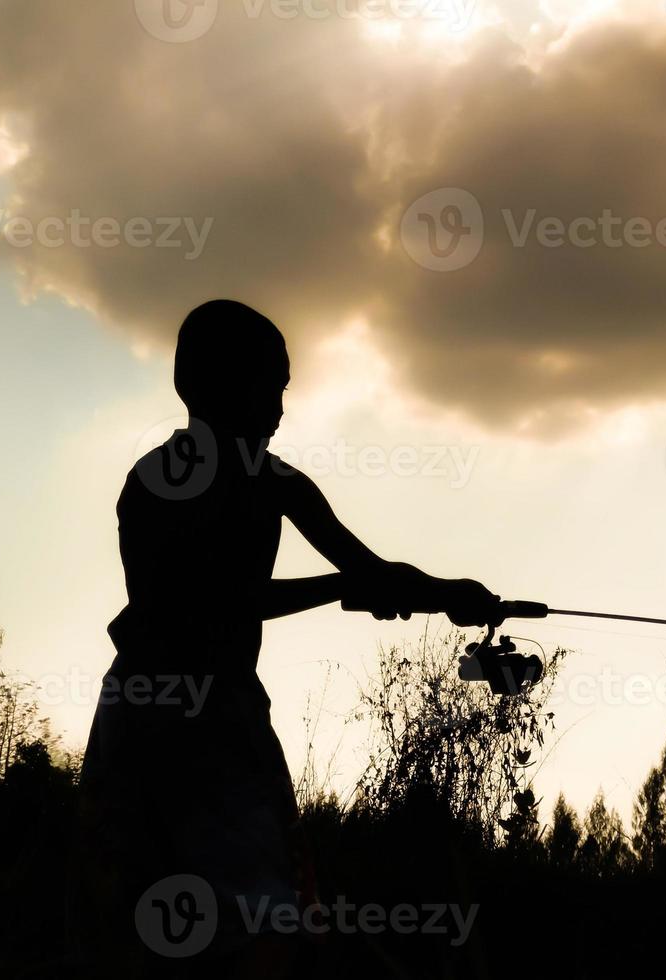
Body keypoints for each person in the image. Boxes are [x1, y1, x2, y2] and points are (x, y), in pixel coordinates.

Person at [73, 299, 499, 976]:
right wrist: (340, 590)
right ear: (210, 384)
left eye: (282, 389)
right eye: (266, 385)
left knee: (239, 917)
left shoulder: (278, 482)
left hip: (225, 713)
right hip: (172, 716)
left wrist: (448, 595)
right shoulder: (159, 482)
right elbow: (200, 604)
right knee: (208, 921)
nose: (277, 407)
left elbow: (370, 570)